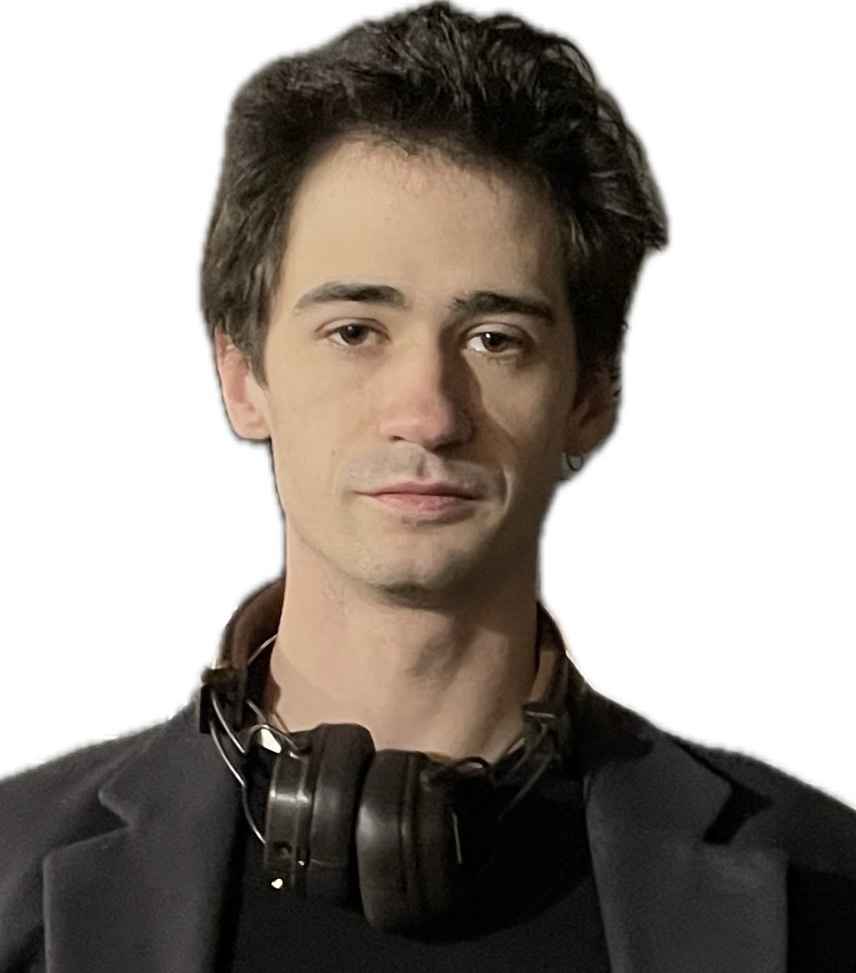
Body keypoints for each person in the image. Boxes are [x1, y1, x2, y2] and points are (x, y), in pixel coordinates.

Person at [1, 3, 854, 970]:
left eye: (495, 339)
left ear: (590, 396)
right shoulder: (10, 879)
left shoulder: (826, 890)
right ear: (242, 376)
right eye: (355, 330)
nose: (429, 412)